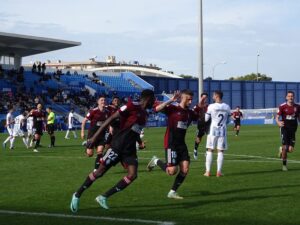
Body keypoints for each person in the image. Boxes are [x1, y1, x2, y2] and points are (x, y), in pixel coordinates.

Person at [70, 89, 155, 212]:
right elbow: (110, 119)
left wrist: (140, 142)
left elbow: (135, 131)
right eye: (153, 99)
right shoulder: (131, 105)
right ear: (148, 98)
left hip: (129, 150)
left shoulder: (145, 114)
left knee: (132, 175)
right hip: (117, 146)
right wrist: (93, 138)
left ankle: (103, 197)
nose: (154, 102)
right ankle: (77, 194)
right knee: (99, 172)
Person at [147, 89, 204, 199]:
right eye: (188, 99)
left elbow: (200, 117)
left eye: (192, 99)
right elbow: (156, 109)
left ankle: (172, 192)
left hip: (182, 144)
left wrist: (200, 106)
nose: (190, 101)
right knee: (172, 171)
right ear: (182, 98)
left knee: (185, 169)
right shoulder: (173, 108)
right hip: (171, 143)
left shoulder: (190, 112)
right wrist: (171, 100)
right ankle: (156, 161)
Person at [203, 90, 231, 177]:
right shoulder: (227, 107)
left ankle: (208, 172)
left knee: (210, 150)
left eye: (213, 95)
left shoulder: (211, 106)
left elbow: (206, 119)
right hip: (222, 131)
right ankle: (219, 172)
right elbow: (228, 120)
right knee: (220, 151)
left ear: (217, 96)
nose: (212, 96)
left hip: (213, 130)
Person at [81, 96, 110, 170]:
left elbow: (109, 122)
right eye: (101, 100)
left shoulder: (107, 112)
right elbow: (84, 121)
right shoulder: (93, 111)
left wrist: (110, 130)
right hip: (92, 135)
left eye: (104, 100)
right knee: (90, 154)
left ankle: (96, 169)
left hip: (102, 135)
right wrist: (82, 132)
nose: (103, 101)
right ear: (98, 102)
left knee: (100, 152)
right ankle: (87, 147)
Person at [275, 91, 300, 171]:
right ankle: (284, 165)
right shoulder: (282, 106)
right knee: (286, 147)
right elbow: (277, 117)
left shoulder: (298, 107)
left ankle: (281, 149)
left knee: (290, 150)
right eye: (289, 96)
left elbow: (299, 117)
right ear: (286, 97)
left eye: (292, 96)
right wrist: (278, 122)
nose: (290, 97)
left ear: (294, 97)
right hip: (284, 128)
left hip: (293, 130)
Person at [193, 92, 209, 160]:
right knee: (199, 138)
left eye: (206, 97)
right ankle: (195, 150)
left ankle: (207, 152)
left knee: (209, 137)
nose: (205, 99)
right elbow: (194, 112)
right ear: (201, 98)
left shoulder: (209, 106)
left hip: (208, 124)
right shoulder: (197, 106)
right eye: (203, 97)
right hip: (200, 124)